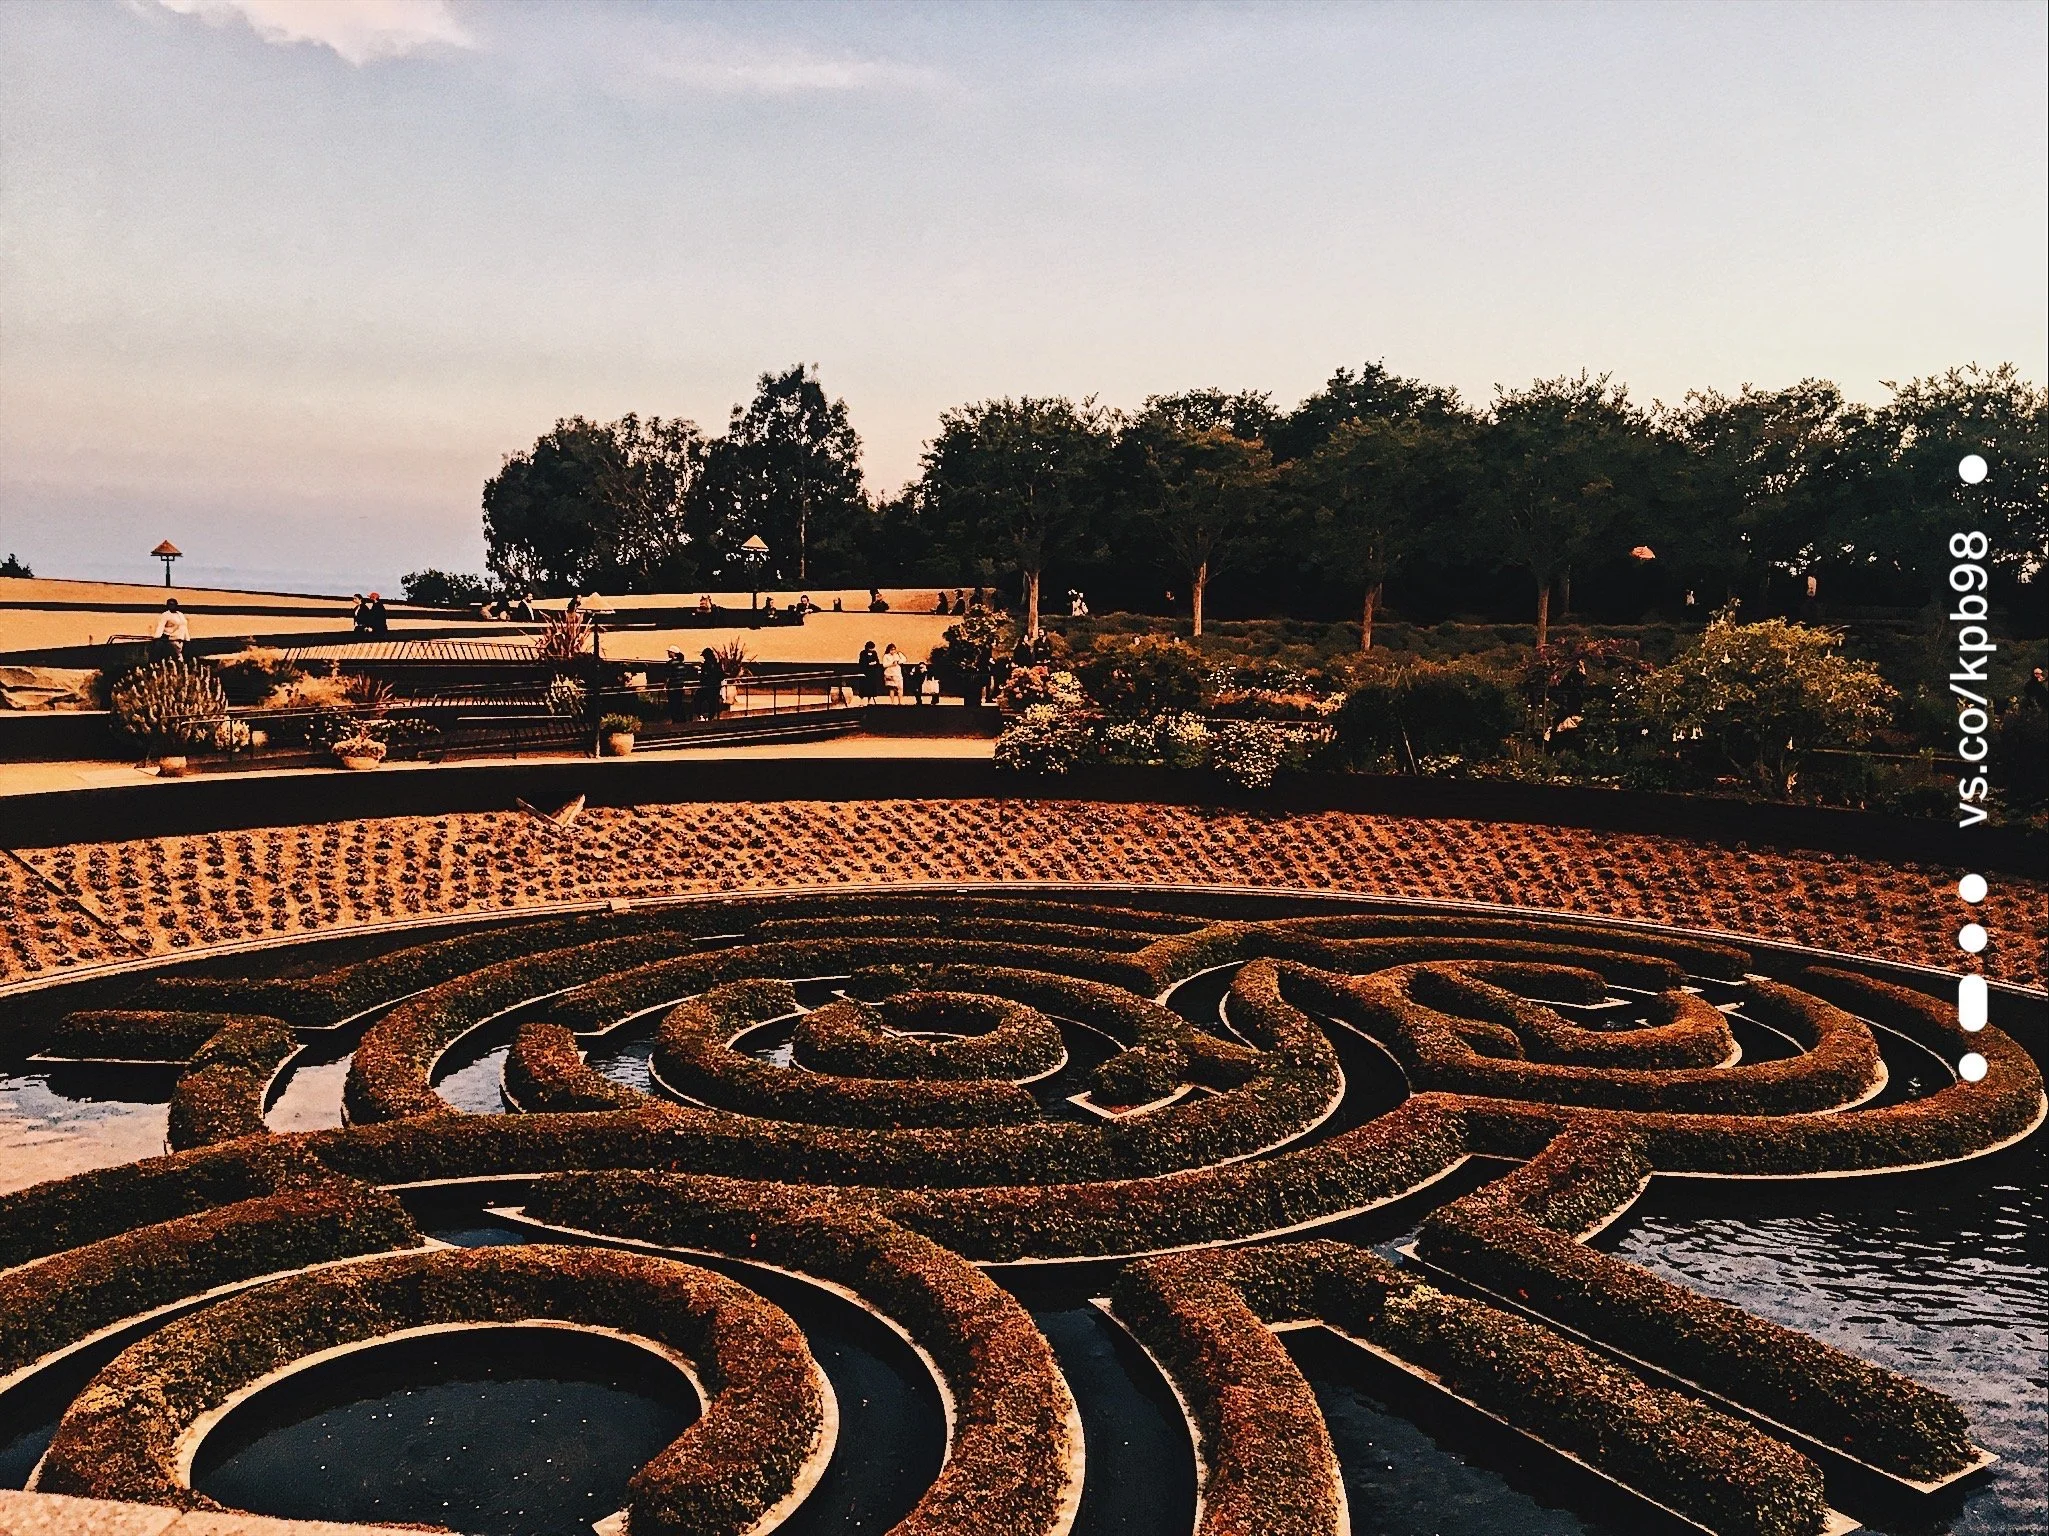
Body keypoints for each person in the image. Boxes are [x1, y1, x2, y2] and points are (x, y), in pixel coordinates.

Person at [695, 648, 725, 720]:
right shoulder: (717, 664)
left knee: (697, 699)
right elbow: (721, 676)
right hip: (716, 687)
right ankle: (711, 717)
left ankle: (699, 715)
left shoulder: (706, 664)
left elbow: (703, 677)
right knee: (712, 702)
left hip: (707, 687)